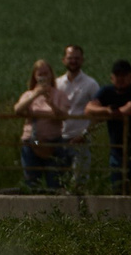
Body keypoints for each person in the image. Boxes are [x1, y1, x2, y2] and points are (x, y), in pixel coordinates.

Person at [14, 60, 69, 191]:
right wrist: (35, 95)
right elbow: (17, 110)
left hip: (52, 142)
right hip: (33, 142)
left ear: (51, 75)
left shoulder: (59, 95)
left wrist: (51, 103)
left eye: (46, 73)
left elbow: (64, 116)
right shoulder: (28, 94)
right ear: (35, 76)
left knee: (55, 181)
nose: (43, 77)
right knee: (32, 181)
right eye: (40, 74)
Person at [56, 46, 101, 186]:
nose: (73, 61)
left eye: (77, 58)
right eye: (70, 58)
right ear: (64, 60)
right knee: (59, 181)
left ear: (82, 60)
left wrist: (85, 135)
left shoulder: (91, 84)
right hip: (58, 139)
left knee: (78, 182)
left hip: (80, 140)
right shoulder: (57, 83)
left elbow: (97, 114)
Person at [95, 59, 131, 189]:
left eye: (124, 75)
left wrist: (116, 112)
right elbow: (89, 109)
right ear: (112, 77)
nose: (120, 79)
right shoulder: (107, 92)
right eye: (117, 75)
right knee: (117, 187)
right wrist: (107, 110)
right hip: (117, 150)